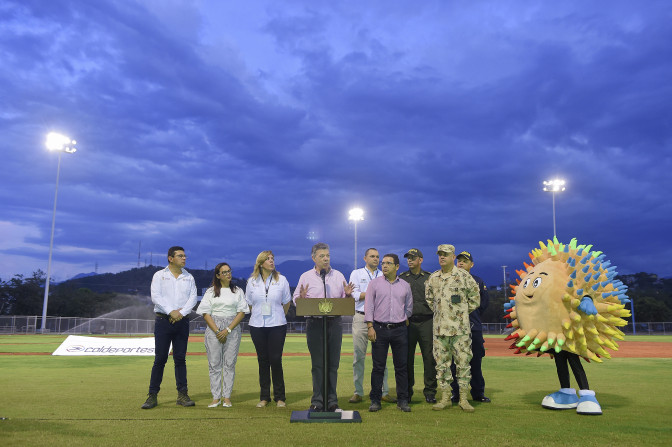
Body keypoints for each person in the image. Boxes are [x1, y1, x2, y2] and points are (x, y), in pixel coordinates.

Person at [293, 242, 354, 412]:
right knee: (318, 364)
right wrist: (301, 298)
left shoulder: (338, 275)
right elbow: (296, 299)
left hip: (334, 323)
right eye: (322, 256)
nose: (326, 258)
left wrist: (348, 295)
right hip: (314, 323)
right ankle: (317, 402)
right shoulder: (306, 276)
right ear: (314, 258)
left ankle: (332, 402)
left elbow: (345, 301)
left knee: (333, 364)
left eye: (327, 255)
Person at [425, 244, 480, 412]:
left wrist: (459, 314)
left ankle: (463, 399)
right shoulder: (433, 278)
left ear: (453, 257)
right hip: (440, 330)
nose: (442, 257)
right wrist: (443, 314)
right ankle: (445, 398)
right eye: (440, 254)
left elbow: (475, 299)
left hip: (460, 330)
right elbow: (430, 300)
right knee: (442, 365)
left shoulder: (464, 276)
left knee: (463, 364)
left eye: (445, 254)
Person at [141, 246, 198, 409]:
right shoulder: (159, 275)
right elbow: (156, 297)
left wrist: (180, 313)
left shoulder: (189, 277)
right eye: (180, 256)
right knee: (160, 359)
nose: (184, 258)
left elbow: (193, 298)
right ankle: (152, 396)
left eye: (184, 256)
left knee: (180, 359)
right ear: (170, 258)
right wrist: (171, 312)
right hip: (163, 321)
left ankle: (182, 394)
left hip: (182, 321)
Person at [365, 254, 414, 413]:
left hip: (400, 330)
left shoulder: (405, 285)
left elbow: (409, 308)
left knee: (401, 367)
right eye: (383, 263)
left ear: (397, 267)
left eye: (388, 263)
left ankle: (402, 400)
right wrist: (370, 326)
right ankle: (375, 400)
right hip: (379, 329)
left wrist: (402, 318)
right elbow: (369, 306)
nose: (384, 266)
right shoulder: (374, 284)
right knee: (378, 367)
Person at [196, 263, 248, 408]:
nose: (228, 274)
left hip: (232, 327)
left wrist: (228, 329)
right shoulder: (210, 291)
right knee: (214, 364)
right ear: (218, 275)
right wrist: (218, 331)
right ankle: (216, 397)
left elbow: (241, 312)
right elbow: (205, 313)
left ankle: (227, 397)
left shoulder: (237, 291)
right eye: (224, 272)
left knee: (229, 364)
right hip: (214, 327)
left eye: (229, 271)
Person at [246, 251, 292, 408]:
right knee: (262, 361)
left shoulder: (282, 280)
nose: (271, 261)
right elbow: (249, 303)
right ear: (260, 263)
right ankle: (264, 397)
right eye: (268, 259)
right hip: (257, 325)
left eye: (273, 258)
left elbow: (287, 302)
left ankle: (280, 397)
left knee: (275, 359)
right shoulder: (251, 281)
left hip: (277, 325)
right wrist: (258, 314)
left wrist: (279, 316)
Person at [348, 248, 394, 404]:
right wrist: (374, 293)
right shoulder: (356, 273)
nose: (376, 259)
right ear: (365, 258)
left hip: (380, 319)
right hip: (361, 317)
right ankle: (358, 392)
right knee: (358, 357)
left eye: (377, 257)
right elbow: (354, 295)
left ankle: (383, 391)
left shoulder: (384, 274)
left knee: (381, 358)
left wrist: (367, 293)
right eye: (372, 256)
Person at [451, 251, 490, 403]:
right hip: (455, 329)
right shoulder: (450, 279)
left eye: (465, 261)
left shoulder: (478, 281)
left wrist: (472, 315)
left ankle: (478, 393)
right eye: (459, 260)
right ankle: (456, 393)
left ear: (471, 264)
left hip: (474, 328)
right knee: (455, 364)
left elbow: (483, 303)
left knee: (475, 362)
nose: (460, 263)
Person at [399, 248, 437, 404]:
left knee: (429, 358)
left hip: (427, 321)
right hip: (408, 322)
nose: (409, 260)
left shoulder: (430, 277)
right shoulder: (402, 278)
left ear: (420, 260)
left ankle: (430, 392)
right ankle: (407, 391)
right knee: (407, 358)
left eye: (413, 258)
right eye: (408, 258)